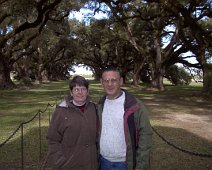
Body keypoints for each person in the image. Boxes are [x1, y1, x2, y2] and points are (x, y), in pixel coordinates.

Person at [97, 67, 153, 170]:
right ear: (102, 82)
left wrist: (141, 165)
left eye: (114, 80)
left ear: (121, 81)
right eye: (106, 81)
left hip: (125, 164)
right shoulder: (100, 105)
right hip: (103, 162)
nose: (110, 84)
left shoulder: (135, 106)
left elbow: (145, 136)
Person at [47, 75, 98, 170]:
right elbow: (53, 139)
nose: (80, 92)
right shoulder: (61, 112)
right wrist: (60, 161)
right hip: (69, 165)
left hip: (92, 164)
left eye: (83, 89)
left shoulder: (94, 109)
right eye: (76, 89)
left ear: (88, 92)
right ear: (71, 92)